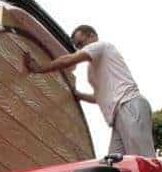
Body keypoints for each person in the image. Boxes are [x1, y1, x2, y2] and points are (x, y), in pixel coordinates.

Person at [24, 24, 155, 157]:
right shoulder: (93, 70)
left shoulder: (102, 47)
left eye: (81, 43)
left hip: (129, 104)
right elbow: (98, 97)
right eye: (77, 46)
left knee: (142, 157)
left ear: (92, 36)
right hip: (117, 116)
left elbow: (67, 60)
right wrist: (79, 96)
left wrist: (39, 68)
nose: (80, 49)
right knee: (115, 166)